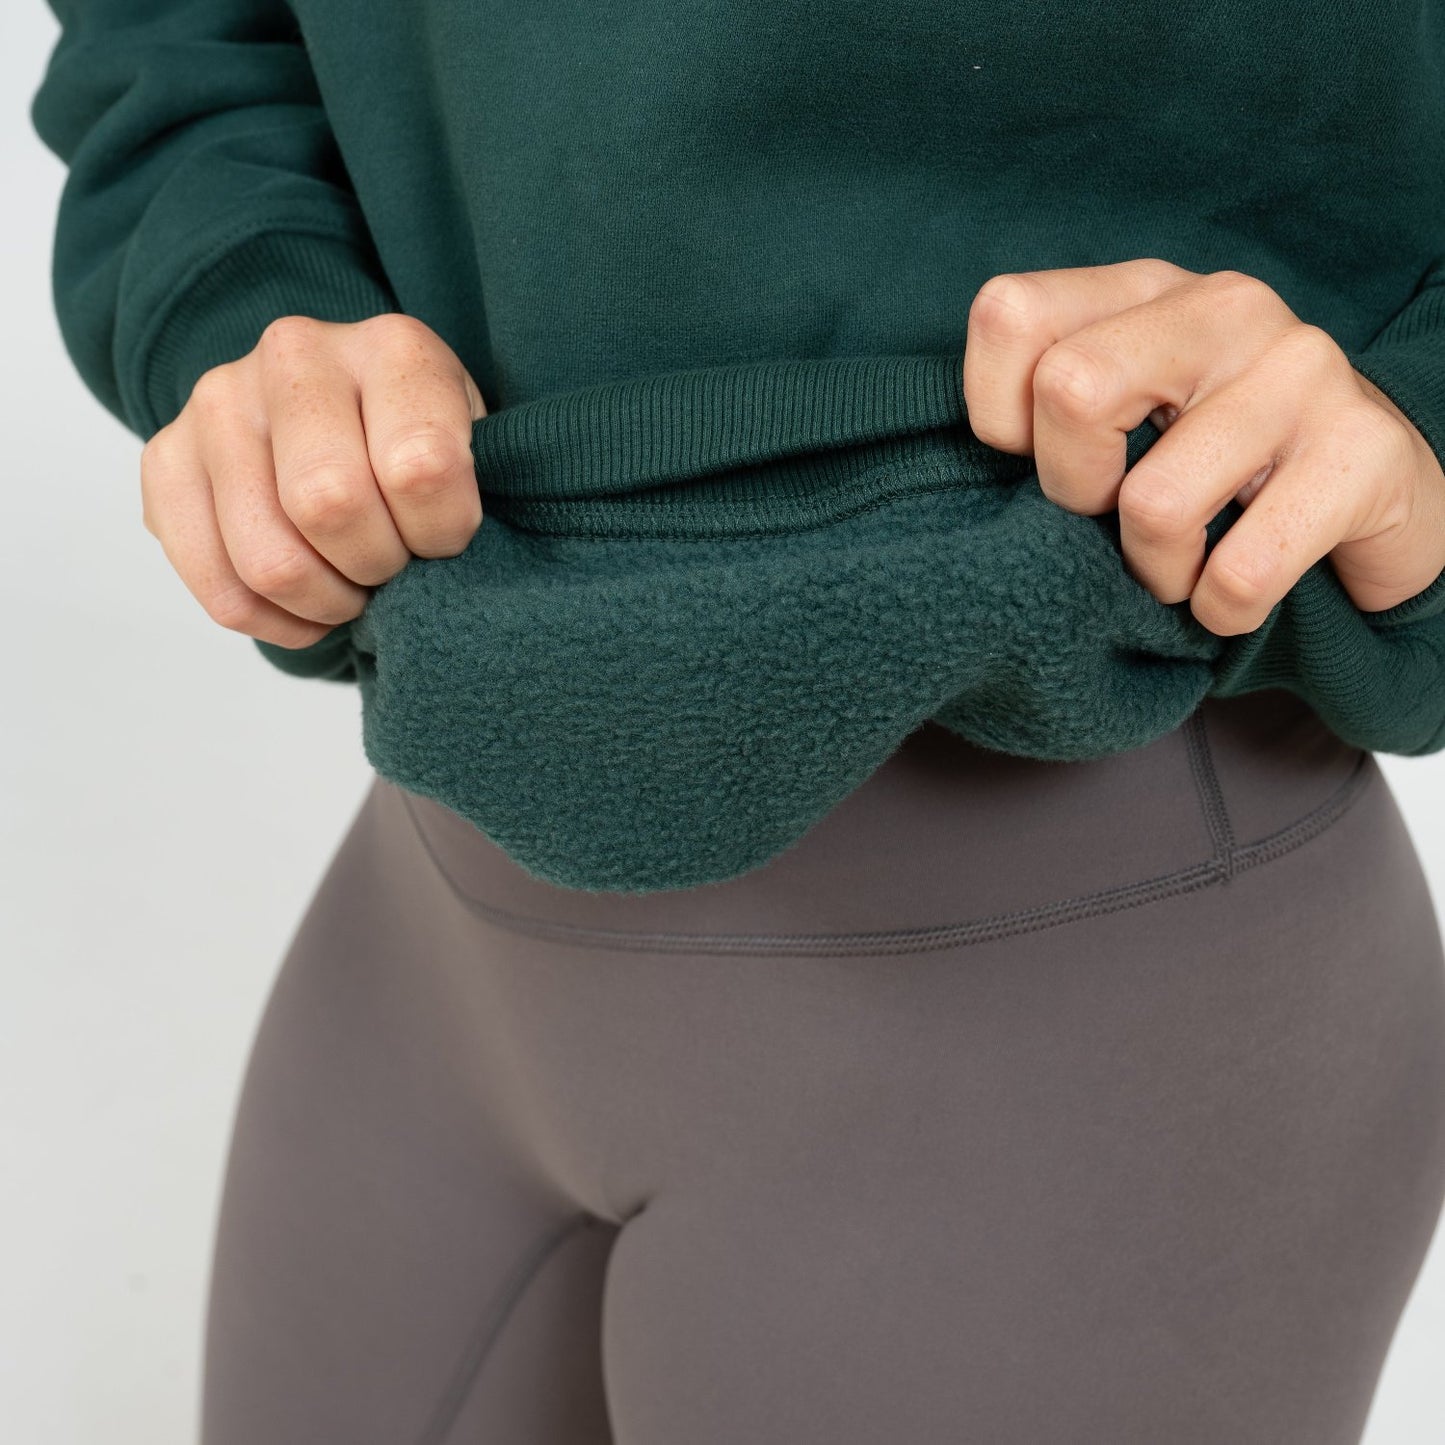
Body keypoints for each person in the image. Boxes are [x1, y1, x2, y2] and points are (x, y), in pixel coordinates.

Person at [30, 0, 1445, 1439]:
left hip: (1094, 987)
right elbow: (175, 31)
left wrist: (1417, 417)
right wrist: (245, 292)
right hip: (431, 915)